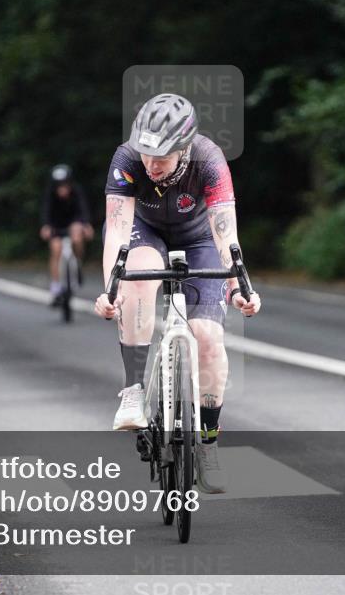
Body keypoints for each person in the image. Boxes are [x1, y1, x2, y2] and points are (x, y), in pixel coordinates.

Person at [93, 93, 261, 494]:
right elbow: (117, 229)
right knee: (137, 274)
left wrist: (239, 286)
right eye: (147, 152)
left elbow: (226, 233)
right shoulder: (127, 158)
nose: (151, 163)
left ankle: (208, 443)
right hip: (143, 232)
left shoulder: (208, 159)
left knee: (208, 338)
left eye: (163, 156)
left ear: (184, 148)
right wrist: (110, 289)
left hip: (199, 237)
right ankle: (133, 390)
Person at [40, 164, 94, 303]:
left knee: (76, 235)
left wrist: (86, 225)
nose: (62, 189)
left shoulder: (77, 191)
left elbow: (83, 209)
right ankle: (56, 285)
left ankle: (77, 262)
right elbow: (46, 211)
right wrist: (46, 226)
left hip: (73, 223)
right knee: (56, 250)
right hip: (56, 225)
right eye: (59, 186)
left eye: (64, 185)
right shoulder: (50, 193)